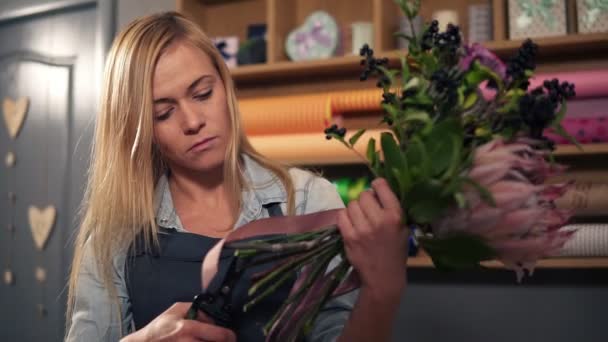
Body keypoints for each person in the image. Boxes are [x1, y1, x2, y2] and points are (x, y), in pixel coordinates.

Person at [65, 11, 408, 342]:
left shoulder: (307, 200)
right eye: (163, 113)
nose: (192, 121)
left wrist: (382, 292)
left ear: (225, 86)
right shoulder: (116, 237)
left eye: (203, 94)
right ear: (139, 128)